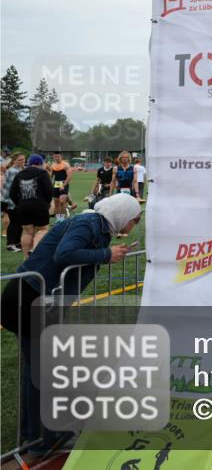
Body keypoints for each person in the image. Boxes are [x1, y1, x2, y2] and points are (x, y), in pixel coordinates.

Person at [0, 194, 139, 463]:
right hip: (29, 298)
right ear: (122, 213)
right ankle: (39, 439)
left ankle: (46, 433)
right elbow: (64, 255)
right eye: (135, 219)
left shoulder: (99, 227)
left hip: (38, 298)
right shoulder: (88, 223)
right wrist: (106, 254)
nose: (134, 225)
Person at [10, 155, 55, 255]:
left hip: (23, 207)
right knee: (42, 230)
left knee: (27, 232)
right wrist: (46, 203)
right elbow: (49, 191)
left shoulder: (20, 174)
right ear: (40, 163)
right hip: (40, 206)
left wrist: (20, 203)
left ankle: (26, 257)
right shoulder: (43, 173)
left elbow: (12, 193)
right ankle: (34, 249)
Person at [3, 151, 25, 252]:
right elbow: (13, 189)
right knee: (14, 223)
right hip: (11, 201)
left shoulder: (18, 170)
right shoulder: (13, 171)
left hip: (14, 201)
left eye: (23, 159)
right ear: (14, 160)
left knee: (19, 222)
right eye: (19, 160)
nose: (22, 161)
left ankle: (17, 243)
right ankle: (10, 245)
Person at [50, 152, 74, 221]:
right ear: (53, 157)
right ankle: (58, 219)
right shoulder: (53, 165)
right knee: (56, 202)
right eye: (55, 156)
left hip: (64, 184)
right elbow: (51, 176)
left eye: (58, 156)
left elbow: (69, 176)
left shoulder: (65, 165)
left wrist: (64, 185)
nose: (57, 158)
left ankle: (62, 219)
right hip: (56, 184)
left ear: (61, 156)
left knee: (62, 201)